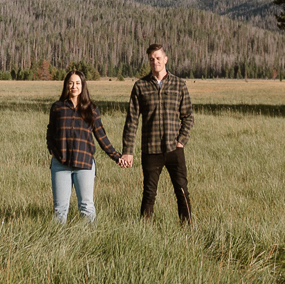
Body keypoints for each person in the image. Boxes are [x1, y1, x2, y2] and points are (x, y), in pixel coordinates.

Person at [120, 43, 194, 223]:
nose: (155, 62)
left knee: (182, 190)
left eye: (158, 58)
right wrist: (128, 151)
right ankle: (144, 231)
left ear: (165, 59)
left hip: (173, 149)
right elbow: (132, 120)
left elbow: (188, 117)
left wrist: (181, 141)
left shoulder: (179, 85)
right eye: (152, 59)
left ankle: (188, 229)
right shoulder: (140, 86)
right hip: (150, 149)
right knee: (149, 193)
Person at [46, 70, 125, 224]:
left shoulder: (92, 109)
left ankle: (89, 240)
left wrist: (116, 156)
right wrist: (53, 150)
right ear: (66, 85)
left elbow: (101, 136)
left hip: (84, 164)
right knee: (60, 209)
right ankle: (57, 242)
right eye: (70, 83)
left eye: (77, 83)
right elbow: (50, 132)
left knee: (86, 206)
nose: (73, 86)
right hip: (60, 165)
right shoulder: (57, 107)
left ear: (82, 86)